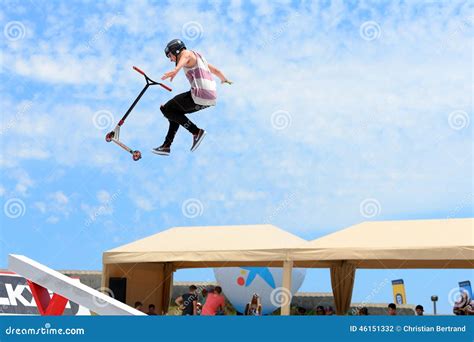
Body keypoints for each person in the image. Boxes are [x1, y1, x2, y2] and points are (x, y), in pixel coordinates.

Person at [152, 39, 232, 156]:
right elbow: (216, 70)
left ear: (176, 50)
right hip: (209, 99)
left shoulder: (187, 53)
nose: (170, 59)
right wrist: (224, 79)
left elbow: (185, 57)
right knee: (173, 114)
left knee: (166, 109)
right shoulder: (200, 59)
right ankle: (166, 145)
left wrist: (175, 70)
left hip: (199, 94)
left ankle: (196, 132)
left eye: (170, 55)